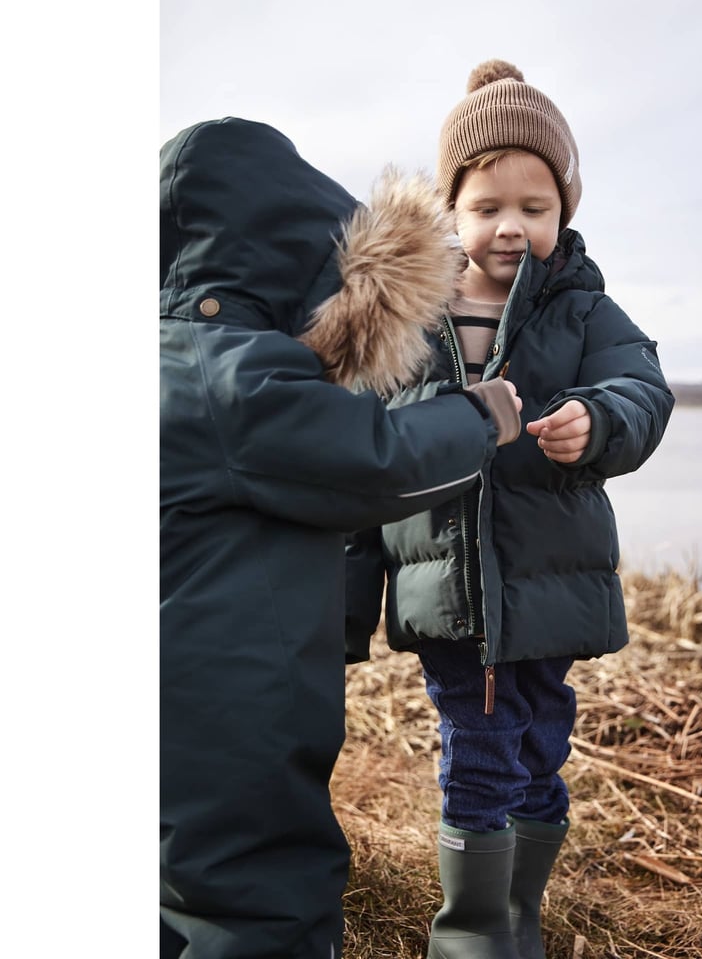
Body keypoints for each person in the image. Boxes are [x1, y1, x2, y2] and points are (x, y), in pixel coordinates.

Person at [160, 116, 523, 959]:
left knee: (173, 876)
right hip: (231, 704)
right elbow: (373, 459)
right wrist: (479, 415)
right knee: (256, 893)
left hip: (179, 683)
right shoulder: (232, 373)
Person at [344, 60, 676, 959]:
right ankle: (476, 934)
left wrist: (599, 420)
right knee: (481, 748)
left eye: (534, 208)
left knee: (540, 745)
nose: (510, 227)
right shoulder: (411, 314)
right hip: (451, 587)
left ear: (564, 211)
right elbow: (365, 437)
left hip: (549, 580)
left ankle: (519, 913)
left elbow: (644, 391)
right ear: (452, 210)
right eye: (488, 206)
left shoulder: (582, 306)